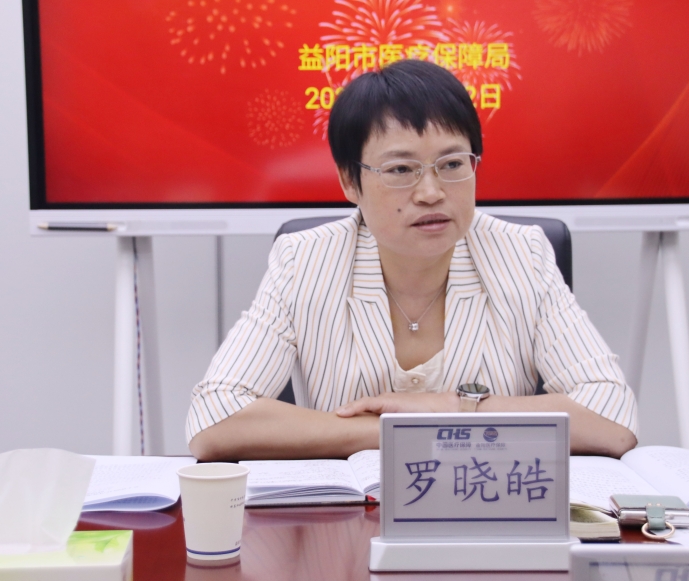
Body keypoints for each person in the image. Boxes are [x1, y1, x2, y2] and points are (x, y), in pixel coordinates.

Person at [187, 59, 638, 461]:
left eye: (452, 164)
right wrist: (397, 432)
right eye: (401, 170)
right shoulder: (304, 260)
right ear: (350, 182)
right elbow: (214, 418)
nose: (431, 192)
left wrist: (453, 408)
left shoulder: (522, 253)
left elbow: (613, 416)